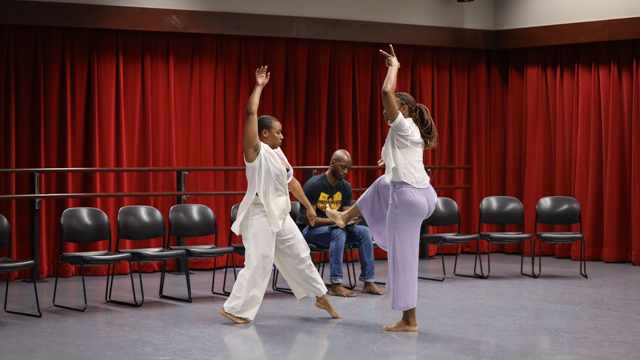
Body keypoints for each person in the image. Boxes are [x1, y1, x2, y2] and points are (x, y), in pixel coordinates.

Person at [326, 45, 438, 332]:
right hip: (425, 195)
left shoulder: (401, 124)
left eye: (393, 108)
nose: (387, 112)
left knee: (402, 259)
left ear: (403, 109)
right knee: (382, 182)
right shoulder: (412, 130)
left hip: (408, 197)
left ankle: (408, 320)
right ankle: (344, 216)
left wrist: (394, 66)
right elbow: (404, 157)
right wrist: (389, 160)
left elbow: (386, 92)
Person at [221, 65, 341, 324]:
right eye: (278, 132)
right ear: (264, 134)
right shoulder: (255, 152)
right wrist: (259, 87)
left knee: (300, 252)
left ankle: (320, 295)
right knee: (260, 262)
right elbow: (251, 112)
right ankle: (236, 308)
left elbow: (292, 182)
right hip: (260, 213)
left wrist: (308, 206)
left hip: (280, 214)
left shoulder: (278, 154)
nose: (282, 136)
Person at [298, 149, 384, 297]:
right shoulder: (314, 185)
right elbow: (309, 221)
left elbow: (345, 215)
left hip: (335, 230)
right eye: (342, 167)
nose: (345, 171)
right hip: (309, 232)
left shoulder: (345, 187)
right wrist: (336, 221)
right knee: (337, 232)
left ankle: (368, 282)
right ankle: (336, 284)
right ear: (332, 163)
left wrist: (348, 221)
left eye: (348, 169)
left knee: (364, 232)